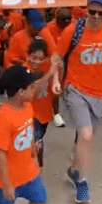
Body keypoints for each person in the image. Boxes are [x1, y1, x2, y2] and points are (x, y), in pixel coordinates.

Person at [52, 0, 102, 203]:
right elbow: (57, 57)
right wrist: (56, 81)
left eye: (100, 13)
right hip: (74, 88)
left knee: (87, 138)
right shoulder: (73, 31)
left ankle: (74, 170)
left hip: (98, 92)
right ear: (86, 10)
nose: (95, 16)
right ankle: (83, 183)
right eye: (91, 12)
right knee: (85, 136)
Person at [0, 65, 47, 204]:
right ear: (20, 92)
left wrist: (34, 158)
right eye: (31, 87)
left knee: (40, 199)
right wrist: (6, 184)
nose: (34, 90)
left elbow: (30, 132)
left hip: (27, 171)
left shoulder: (27, 107)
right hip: (4, 179)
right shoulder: (4, 118)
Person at [24, 38, 58, 168]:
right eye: (33, 57)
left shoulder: (47, 65)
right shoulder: (24, 70)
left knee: (37, 141)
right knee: (37, 145)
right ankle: (36, 172)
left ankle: (32, 169)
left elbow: (57, 65)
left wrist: (56, 80)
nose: (36, 62)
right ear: (28, 55)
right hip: (29, 115)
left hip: (44, 114)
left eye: (40, 59)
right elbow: (33, 91)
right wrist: (49, 75)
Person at [46, 7, 73, 128]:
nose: (66, 25)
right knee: (54, 86)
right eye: (63, 22)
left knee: (66, 86)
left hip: (69, 58)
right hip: (52, 58)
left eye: (68, 21)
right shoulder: (49, 28)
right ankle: (56, 114)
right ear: (56, 20)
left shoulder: (74, 26)